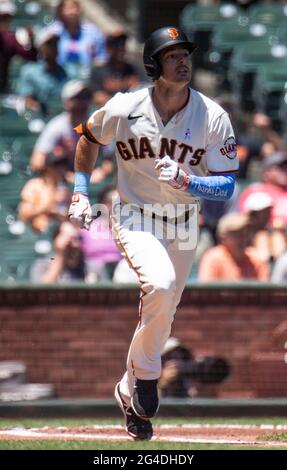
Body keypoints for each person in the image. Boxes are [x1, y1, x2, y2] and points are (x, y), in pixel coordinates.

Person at [68, 26, 239, 440]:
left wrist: (189, 182)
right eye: (172, 55)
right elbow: (88, 138)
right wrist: (80, 191)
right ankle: (145, 377)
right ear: (153, 64)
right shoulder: (125, 107)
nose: (183, 61)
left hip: (183, 222)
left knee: (164, 312)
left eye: (186, 54)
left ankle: (128, 390)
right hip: (134, 215)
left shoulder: (211, 115)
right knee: (159, 286)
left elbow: (227, 183)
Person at [198, 212, 269, 282]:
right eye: (236, 233)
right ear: (223, 237)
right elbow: (207, 291)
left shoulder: (256, 259)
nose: (243, 237)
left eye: (245, 232)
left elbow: (265, 290)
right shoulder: (213, 258)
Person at [16, 30, 68, 115]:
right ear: (40, 47)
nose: (53, 47)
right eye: (49, 44)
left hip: (64, 115)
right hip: (40, 116)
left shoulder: (67, 71)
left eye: (55, 44)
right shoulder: (29, 71)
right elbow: (28, 101)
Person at [90, 31, 141, 108]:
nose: (120, 48)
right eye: (116, 45)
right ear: (108, 48)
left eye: (122, 44)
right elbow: (99, 99)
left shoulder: (134, 69)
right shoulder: (98, 71)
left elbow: (142, 95)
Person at [0, 0, 37, 93]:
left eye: (7, 18)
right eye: (2, 18)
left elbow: (32, 57)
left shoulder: (9, 40)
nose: (5, 21)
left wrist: (31, 40)